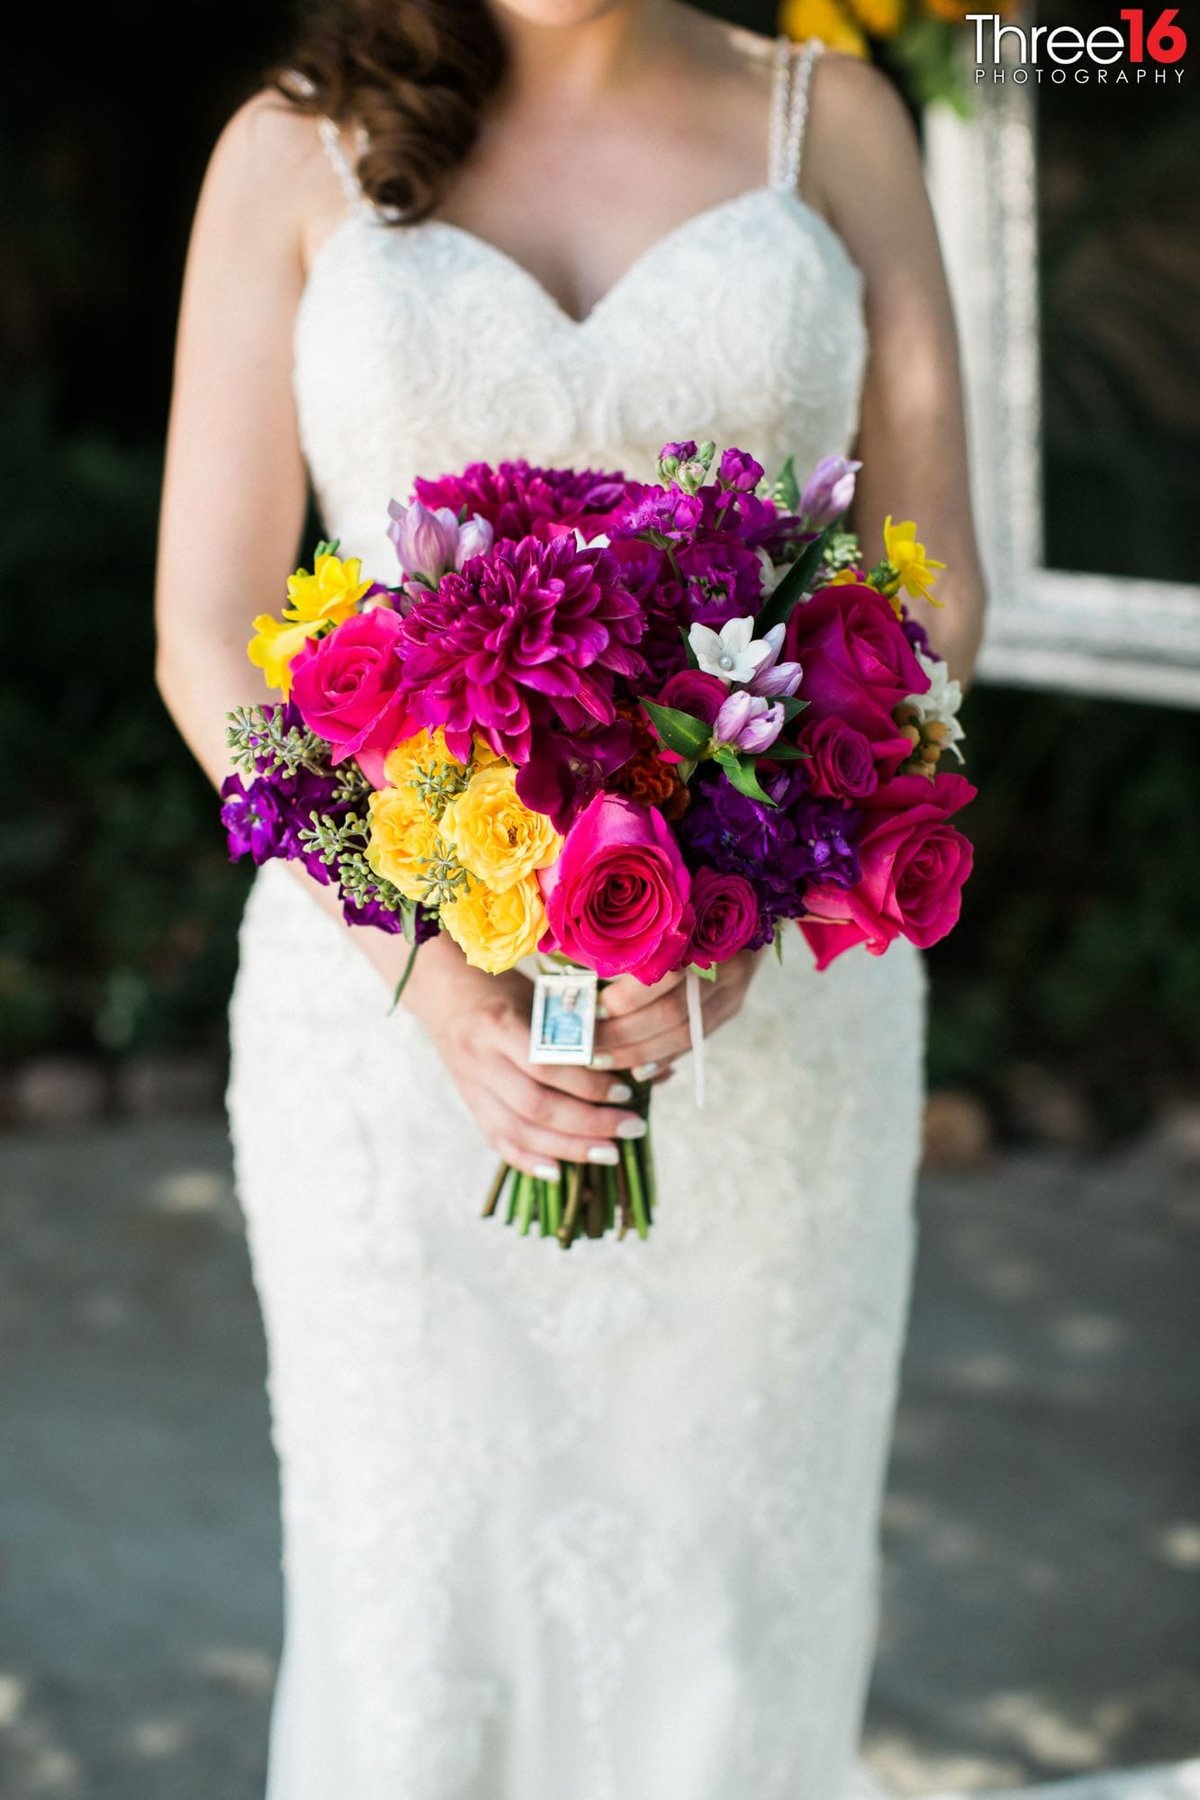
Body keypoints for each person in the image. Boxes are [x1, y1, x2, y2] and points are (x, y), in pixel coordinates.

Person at [155, 3, 989, 1795]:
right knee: (412, 1615)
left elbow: (931, 603)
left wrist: (756, 907)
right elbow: (209, 630)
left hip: (775, 1031)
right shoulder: (283, 151)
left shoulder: (828, 121)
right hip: (382, 1015)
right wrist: (418, 967)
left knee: (734, 1612)